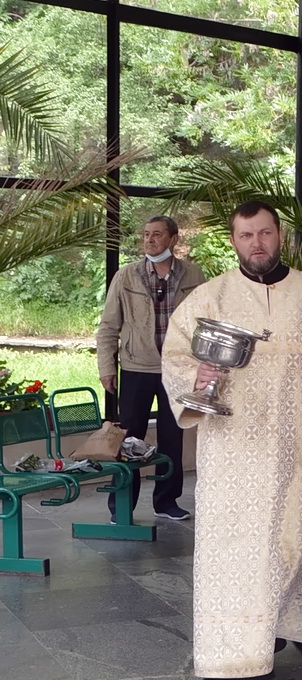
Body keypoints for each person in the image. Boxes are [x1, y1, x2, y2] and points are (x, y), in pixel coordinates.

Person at [161, 201, 302, 680]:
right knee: (234, 551)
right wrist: (197, 375)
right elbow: (175, 357)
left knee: (297, 541)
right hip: (234, 448)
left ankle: (295, 624)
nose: (257, 244)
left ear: (279, 235)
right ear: (233, 241)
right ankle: (232, 658)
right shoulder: (210, 297)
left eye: (265, 233)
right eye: (246, 236)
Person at [96, 215, 206, 520]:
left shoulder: (193, 274)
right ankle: (121, 505)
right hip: (136, 367)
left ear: (173, 239)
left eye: (157, 234)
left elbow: (205, 321)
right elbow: (108, 327)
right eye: (146, 234)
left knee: (172, 438)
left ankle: (166, 502)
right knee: (128, 438)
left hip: (176, 369)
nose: (149, 240)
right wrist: (107, 368)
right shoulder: (126, 276)